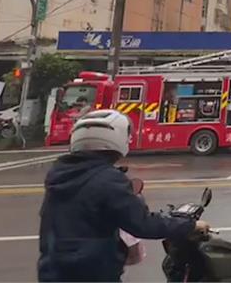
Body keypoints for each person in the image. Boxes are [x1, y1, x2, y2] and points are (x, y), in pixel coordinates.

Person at [38, 110, 209, 282]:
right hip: (92, 273)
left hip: (53, 271)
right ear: (117, 138)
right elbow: (143, 224)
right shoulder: (108, 179)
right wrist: (190, 225)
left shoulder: (60, 175)